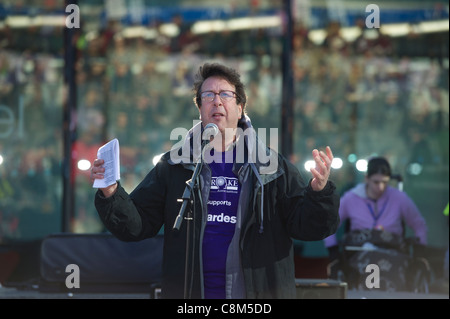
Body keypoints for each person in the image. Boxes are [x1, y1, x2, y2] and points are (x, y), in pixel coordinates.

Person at [91, 62, 340, 299]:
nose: (217, 101)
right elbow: (137, 225)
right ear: (200, 109)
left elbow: (310, 228)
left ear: (241, 107)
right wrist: (111, 191)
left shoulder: (272, 167)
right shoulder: (175, 165)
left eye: (225, 94)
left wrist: (319, 192)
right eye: (208, 95)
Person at [324, 157, 427, 260]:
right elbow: (330, 223)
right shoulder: (351, 198)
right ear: (367, 178)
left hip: (392, 254)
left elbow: (419, 224)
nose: (381, 187)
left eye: (385, 182)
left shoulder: (399, 198)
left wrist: (420, 248)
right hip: (359, 254)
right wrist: (332, 249)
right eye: (376, 182)